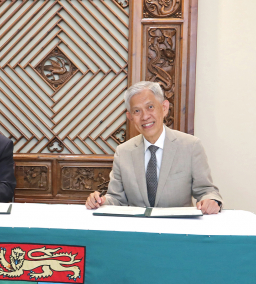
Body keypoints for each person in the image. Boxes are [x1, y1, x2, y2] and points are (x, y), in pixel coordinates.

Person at [85, 81, 222, 214]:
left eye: (150, 107)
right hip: (137, 231)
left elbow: (207, 191)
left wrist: (210, 200)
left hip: (178, 230)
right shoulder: (123, 152)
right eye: (137, 111)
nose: (145, 116)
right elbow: (116, 198)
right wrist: (101, 201)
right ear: (130, 117)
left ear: (164, 108)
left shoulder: (191, 146)